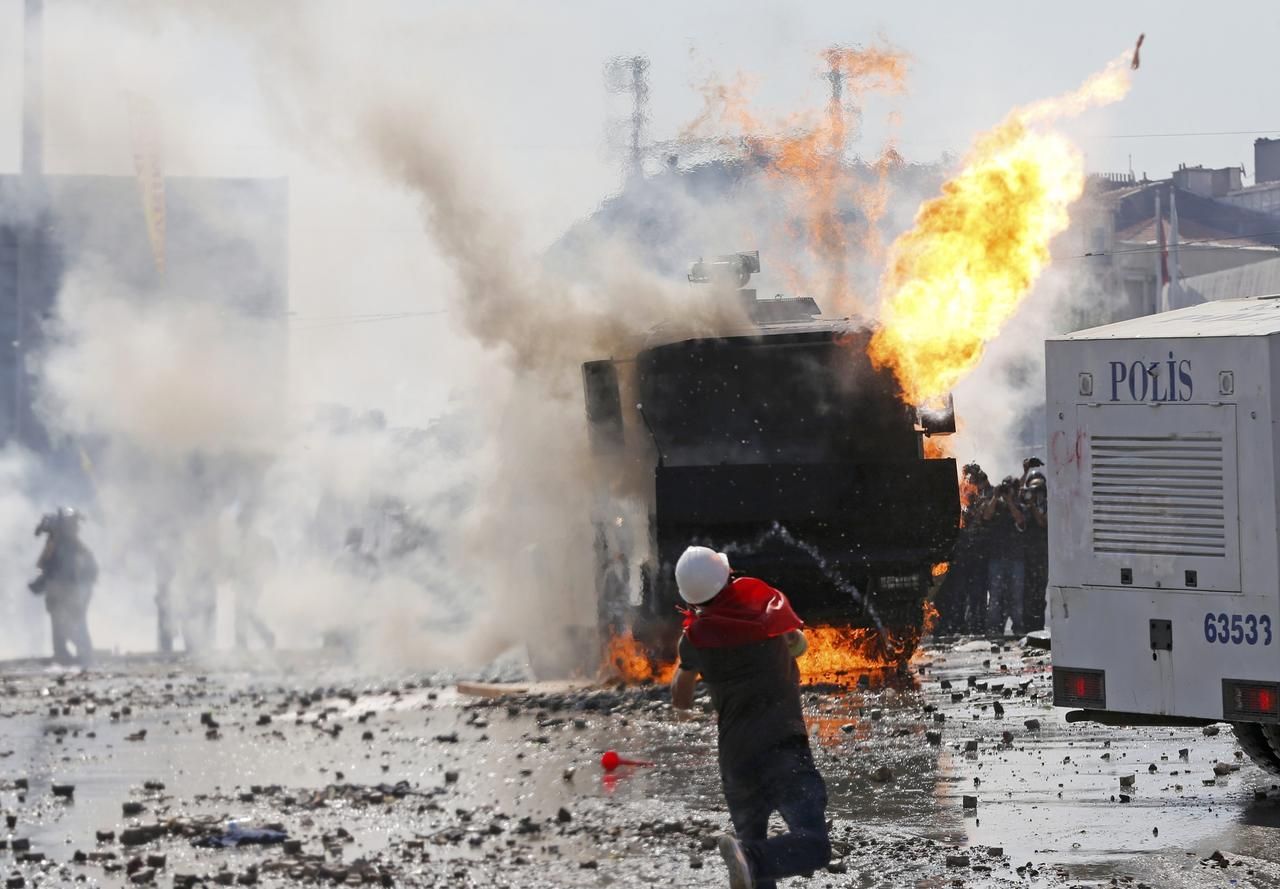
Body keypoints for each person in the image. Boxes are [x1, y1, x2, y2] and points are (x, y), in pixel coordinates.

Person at [670, 546, 831, 889]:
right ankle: (753, 860)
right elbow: (798, 644)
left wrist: (686, 694)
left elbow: (681, 693)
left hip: (736, 762)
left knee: (750, 870)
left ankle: (749, 860)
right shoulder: (768, 611)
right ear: (728, 576)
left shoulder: (694, 638)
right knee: (814, 845)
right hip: (782, 750)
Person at [28, 508, 98, 666]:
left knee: (72, 624)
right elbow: (45, 565)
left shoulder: (72, 547)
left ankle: (83, 656)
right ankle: (67, 656)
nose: (75, 528)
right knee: (62, 626)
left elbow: (86, 572)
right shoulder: (59, 544)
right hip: (61, 593)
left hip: (69, 593)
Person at [980, 475, 1027, 635]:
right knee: (995, 596)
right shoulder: (995, 505)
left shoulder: (1019, 505)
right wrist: (995, 495)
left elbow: (1020, 520)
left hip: (1015, 558)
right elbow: (986, 516)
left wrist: (1009, 501)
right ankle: (993, 628)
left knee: (1016, 595)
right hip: (997, 557)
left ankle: (1018, 627)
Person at [1019, 458, 1049, 632]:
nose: (1036, 493)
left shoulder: (1046, 505)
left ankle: (1037, 627)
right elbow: (1015, 493)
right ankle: (1025, 627)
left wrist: (1033, 507)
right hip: (1026, 555)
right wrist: (1025, 471)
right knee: (1025, 593)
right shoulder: (1024, 503)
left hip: (1042, 555)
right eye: (1033, 489)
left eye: (1039, 490)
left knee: (1039, 593)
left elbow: (1043, 523)